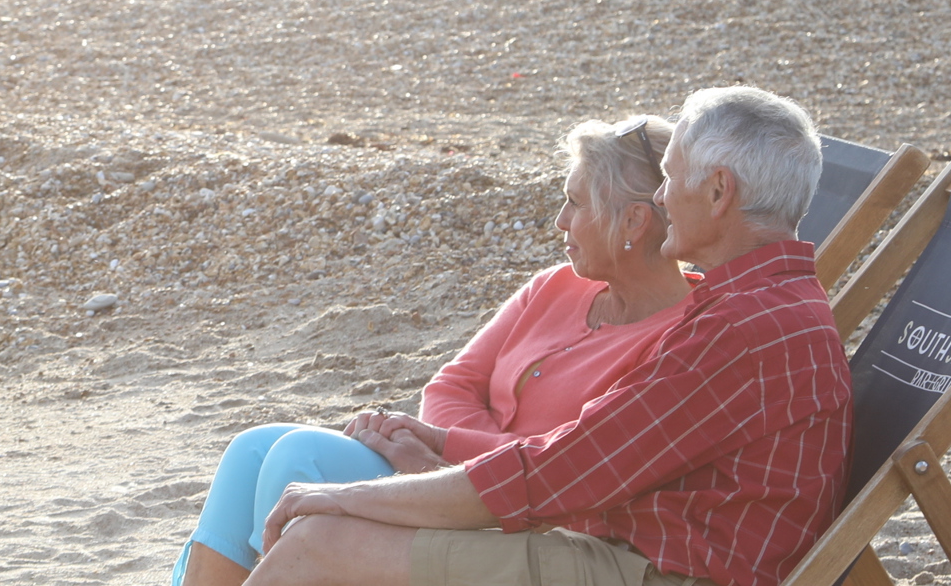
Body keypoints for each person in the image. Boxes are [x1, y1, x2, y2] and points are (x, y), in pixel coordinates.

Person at [242, 86, 852, 586]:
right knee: (325, 523)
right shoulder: (770, 305)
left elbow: (555, 473)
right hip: (639, 546)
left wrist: (345, 498)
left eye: (670, 179)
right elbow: (585, 460)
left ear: (719, 192)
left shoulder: (742, 328)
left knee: (319, 544)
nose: (662, 198)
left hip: (659, 571)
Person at [176, 114, 695, 586]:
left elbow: (566, 465)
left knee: (297, 458)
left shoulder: (683, 336)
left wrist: (449, 450)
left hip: (517, 517)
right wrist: (450, 450)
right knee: (253, 447)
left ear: (633, 223)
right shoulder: (557, 285)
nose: (560, 220)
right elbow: (451, 384)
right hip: (444, 471)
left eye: (576, 203)